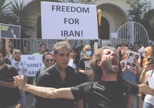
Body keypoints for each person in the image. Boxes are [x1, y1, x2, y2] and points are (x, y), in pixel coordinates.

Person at [14, 46, 154, 108]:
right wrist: (25, 86)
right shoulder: (89, 88)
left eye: (114, 54)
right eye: (108, 53)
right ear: (99, 62)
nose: (113, 55)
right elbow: (53, 93)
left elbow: (143, 88)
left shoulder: (124, 85)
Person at [35, 41, 82, 108]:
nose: (65, 59)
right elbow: (39, 101)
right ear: (54, 56)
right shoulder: (45, 75)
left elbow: (79, 96)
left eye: (67, 55)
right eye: (61, 55)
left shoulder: (74, 73)